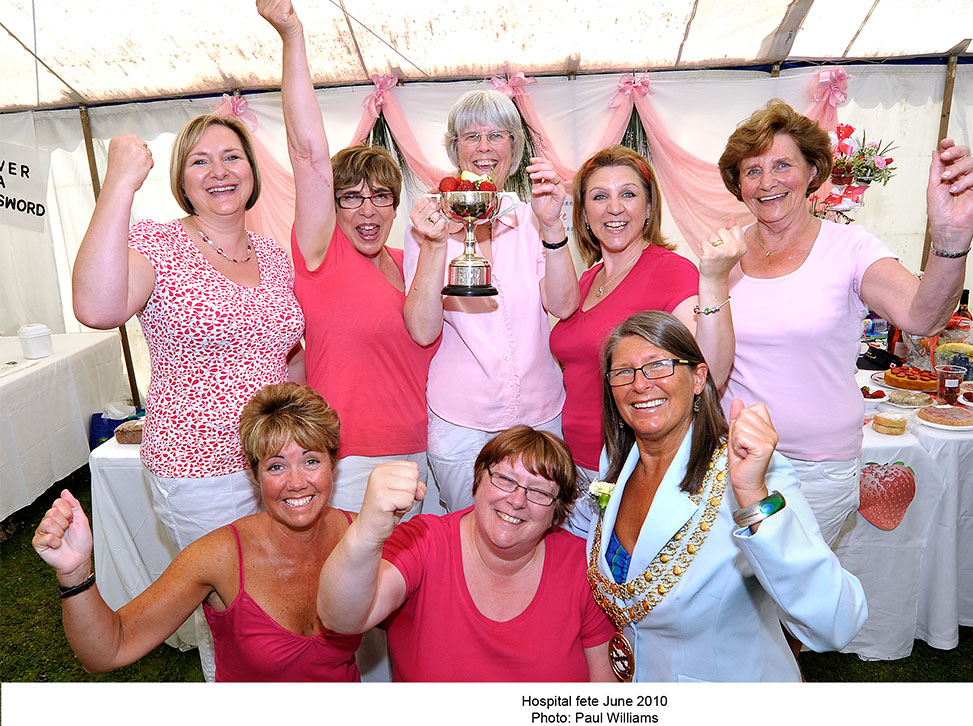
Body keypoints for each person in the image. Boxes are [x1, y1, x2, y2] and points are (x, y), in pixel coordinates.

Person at [716, 99, 973, 543]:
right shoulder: (722, 253)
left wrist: (951, 240)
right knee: (738, 603)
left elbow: (923, 316)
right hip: (732, 457)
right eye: (752, 171)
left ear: (811, 172)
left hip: (816, 467)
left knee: (796, 598)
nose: (767, 183)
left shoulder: (850, 247)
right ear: (739, 184)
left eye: (782, 165)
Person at [588, 310, 867, 682]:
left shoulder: (748, 472)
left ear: (699, 378)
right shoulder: (616, 460)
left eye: (658, 366)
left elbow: (837, 621)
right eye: (623, 372)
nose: (639, 384)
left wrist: (753, 496)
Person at [72, 115, 304, 550]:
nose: (219, 172)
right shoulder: (156, 243)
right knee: (223, 596)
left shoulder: (273, 254)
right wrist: (119, 183)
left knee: (276, 588)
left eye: (232, 157)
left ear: (251, 170)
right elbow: (96, 308)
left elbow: (287, 353)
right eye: (200, 161)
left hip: (274, 457)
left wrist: (304, 439)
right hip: (199, 466)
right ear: (181, 180)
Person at [31, 383, 361, 682]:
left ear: (333, 463)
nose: (296, 481)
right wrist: (75, 574)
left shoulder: (360, 536)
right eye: (276, 466)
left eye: (311, 461)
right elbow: (108, 649)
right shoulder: (220, 556)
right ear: (255, 475)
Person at [258, 0, 438, 515]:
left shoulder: (412, 261)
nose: (367, 209)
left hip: (429, 451)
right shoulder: (321, 254)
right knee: (360, 591)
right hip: (354, 459)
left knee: (419, 588)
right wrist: (293, 36)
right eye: (350, 196)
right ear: (331, 205)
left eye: (381, 196)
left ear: (396, 205)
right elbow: (308, 152)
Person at [317, 426, 618, 682]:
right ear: (478, 480)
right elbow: (341, 619)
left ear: (557, 511)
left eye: (539, 491)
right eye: (505, 479)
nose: (516, 500)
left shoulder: (582, 567)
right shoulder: (424, 541)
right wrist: (366, 533)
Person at [403, 89, 580, 512]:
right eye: (471, 136)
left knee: (534, 528)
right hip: (460, 421)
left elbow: (564, 305)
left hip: (539, 415)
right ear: (455, 148)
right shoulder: (428, 222)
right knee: (466, 533)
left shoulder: (532, 218)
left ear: (514, 148)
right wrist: (432, 246)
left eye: (497, 135)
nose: (484, 148)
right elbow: (423, 330)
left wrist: (553, 226)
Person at [550, 145, 745, 501]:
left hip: (632, 466)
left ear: (649, 207)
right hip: (575, 466)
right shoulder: (587, 279)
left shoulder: (670, 271)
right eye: (599, 196)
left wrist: (715, 280)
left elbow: (710, 372)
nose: (614, 207)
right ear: (583, 213)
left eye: (628, 193)